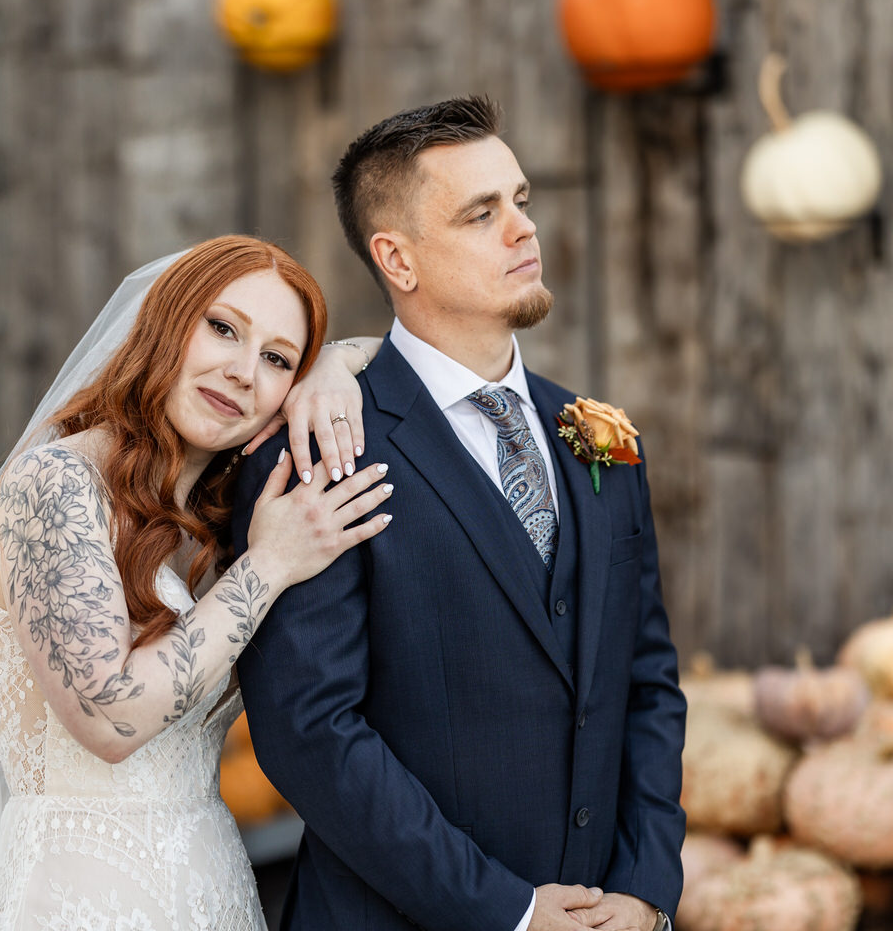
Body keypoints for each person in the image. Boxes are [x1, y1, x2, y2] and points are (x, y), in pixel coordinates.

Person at [232, 96, 687, 931]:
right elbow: (312, 732)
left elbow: (648, 682)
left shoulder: (601, 440)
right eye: (482, 214)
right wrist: (505, 911)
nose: (523, 231)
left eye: (521, 202)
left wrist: (647, 886)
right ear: (396, 260)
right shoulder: (323, 448)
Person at [0, 235, 392, 931]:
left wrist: (336, 363)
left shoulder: (211, 523)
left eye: (276, 359)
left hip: (212, 888)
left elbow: (402, 357)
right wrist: (270, 564)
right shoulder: (55, 486)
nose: (243, 371)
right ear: (165, 323)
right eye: (222, 328)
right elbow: (110, 716)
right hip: (75, 901)